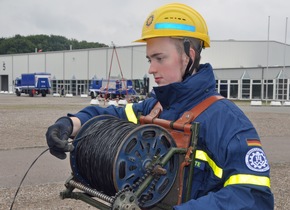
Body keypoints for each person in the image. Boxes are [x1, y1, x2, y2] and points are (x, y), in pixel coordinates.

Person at [46, 3, 274, 209]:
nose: (151, 69)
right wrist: (70, 124)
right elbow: (111, 117)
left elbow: (254, 197)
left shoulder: (226, 120)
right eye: (149, 60)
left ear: (189, 55)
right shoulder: (155, 107)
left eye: (159, 58)